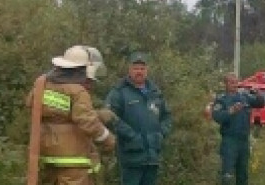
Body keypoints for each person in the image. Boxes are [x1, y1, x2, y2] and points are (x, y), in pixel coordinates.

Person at [26, 45, 116, 185]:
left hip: (46, 156)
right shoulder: (78, 91)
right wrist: (108, 139)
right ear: (84, 69)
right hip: (73, 159)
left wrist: (97, 114)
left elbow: (43, 109)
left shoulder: (42, 85)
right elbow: (86, 121)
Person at [105, 52, 172, 185]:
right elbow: (110, 117)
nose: (139, 72)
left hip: (152, 156)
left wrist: (161, 133)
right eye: (136, 68)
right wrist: (131, 135)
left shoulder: (155, 92)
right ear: (129, 70)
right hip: (131, 155)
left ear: (147, 70)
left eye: (142, 68)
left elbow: (167, 116)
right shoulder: (119, 92)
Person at [211, 72, 265, 185]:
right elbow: (217, 117)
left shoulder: (244, 97)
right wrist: (230, 112)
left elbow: (260, 104)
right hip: (230, 141)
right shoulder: (221, 99)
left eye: (236, 82)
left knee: (243, 174)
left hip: (244, 141)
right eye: (231, 82)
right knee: (227, 175)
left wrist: (258, 93)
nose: (234, 85)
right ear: (225, 84)